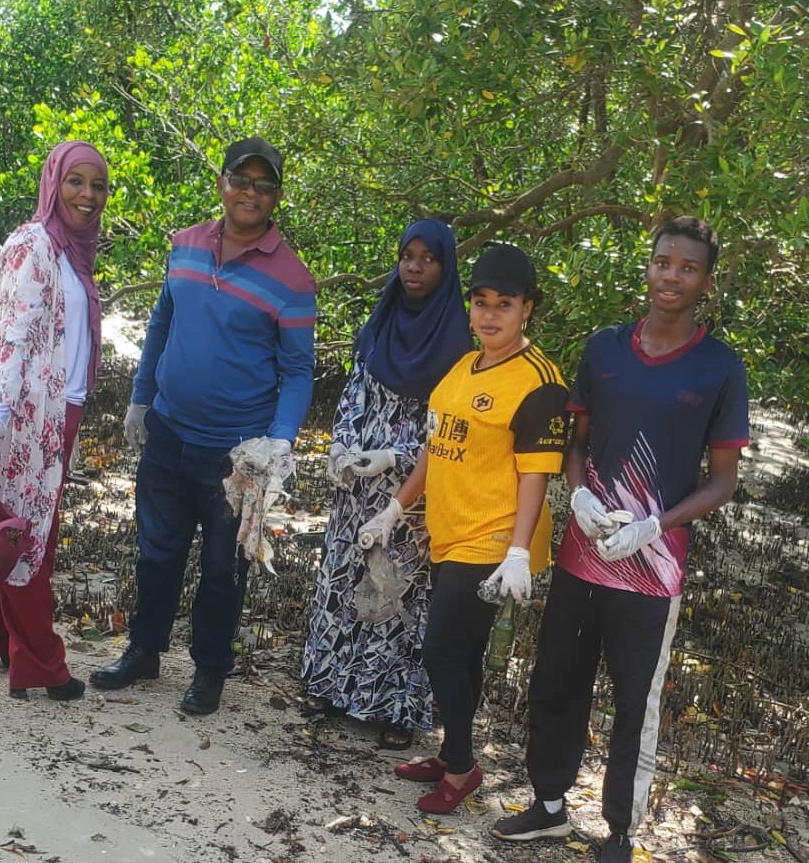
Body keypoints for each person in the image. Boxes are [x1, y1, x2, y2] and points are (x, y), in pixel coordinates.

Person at [491, 217, 749, 863]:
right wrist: (576, 495)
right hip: (582, 554)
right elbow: (575, 444)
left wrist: (652, 525)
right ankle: (548, 805)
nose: (671, 275)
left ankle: (618, 832)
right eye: (663, 261)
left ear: (704, 282)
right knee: (555, 680)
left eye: (686, 267)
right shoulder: (603, 349)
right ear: (648, 267)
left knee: (635, 700)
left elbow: (722, 482)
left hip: (651, 568)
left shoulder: (720, 368)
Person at [90, 136, 316, 716]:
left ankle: (210, 669)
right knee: (156, 553)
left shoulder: (293, 278)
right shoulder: (184, 246)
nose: (251, 192)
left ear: (277, 197)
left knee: (223, 566)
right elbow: (161, 324)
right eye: (242, 179)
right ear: (222, 182)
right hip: (167, 432)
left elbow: (296, 371)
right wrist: (140, 400)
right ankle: (143, 651)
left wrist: (279, 444)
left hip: (234, 456)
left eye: (265, 185)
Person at [361, 243, 569, 813]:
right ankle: (456, 747)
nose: (490, 314)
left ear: (527, 308)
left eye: (505, 303)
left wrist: (520, 553)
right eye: (480, 302)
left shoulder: (540, 382)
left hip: (495, 540)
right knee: (465, 652)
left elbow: (536, 477)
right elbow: (436, 446)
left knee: (442, 651)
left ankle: (460, 768)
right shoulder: (462, 367)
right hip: (449, 534)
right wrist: (396, 508)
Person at [301, 218, 471, 749]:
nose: (414, 267)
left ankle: (395, 706)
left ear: (445, 268)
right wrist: (341, 447)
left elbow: (445, 432)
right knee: (343, 577)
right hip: (354, 487)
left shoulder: (457, 343)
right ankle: (332, 686)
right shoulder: (381, 321)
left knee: (399, 593)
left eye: (428, 258)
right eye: (407, 256)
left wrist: (392, 458)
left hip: (410, 495)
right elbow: (354, 391)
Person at [0, 140, 110, 701]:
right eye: (76, 182)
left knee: (9, 521)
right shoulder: (33, 245)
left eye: (98, 185)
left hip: (55, 411)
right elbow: (9, 337)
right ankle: (43, 664)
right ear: (54, 183)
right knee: (29, 538)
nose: (87, 195)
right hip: (20, 416)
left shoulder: (71, 251)